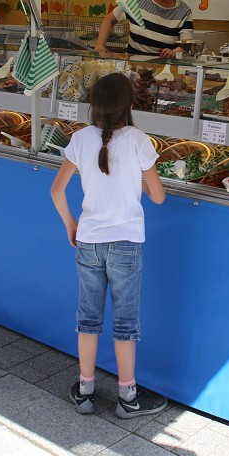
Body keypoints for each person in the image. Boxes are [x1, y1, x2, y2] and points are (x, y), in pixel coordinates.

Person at [49, 72, 169, 418]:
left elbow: (56, 191)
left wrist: (72, 224)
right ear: (129, 106)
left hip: (88, 240)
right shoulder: (139, 140)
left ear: (93, 107)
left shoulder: (80, 139)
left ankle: (85, 390)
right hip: (127, 243)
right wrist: (138, 184)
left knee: (87, 318)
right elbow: (158, 197)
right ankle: (127, 397)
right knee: (125, 322)